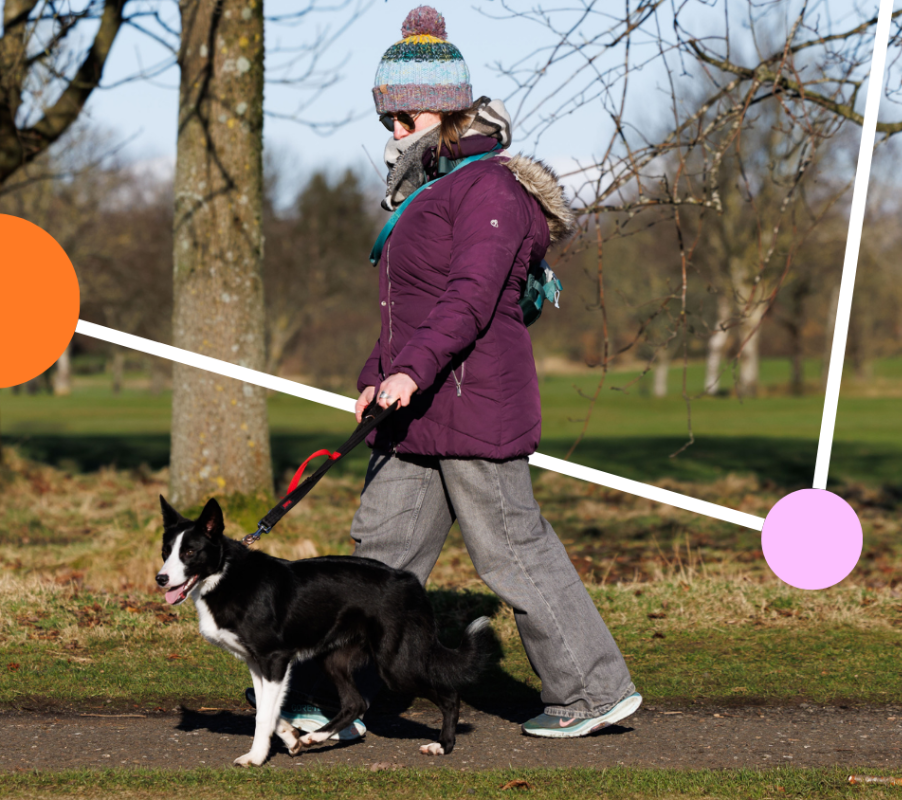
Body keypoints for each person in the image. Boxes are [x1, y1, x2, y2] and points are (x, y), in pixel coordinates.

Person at [251, 5, 641, 741]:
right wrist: (377, 372)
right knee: (376, 559)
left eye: (402, 119)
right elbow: (407, 310)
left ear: (443, 109)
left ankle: (593, 692)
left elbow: (468, 299)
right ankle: (328, 700)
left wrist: (413, 371)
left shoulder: (491, 190)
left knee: (513, 555)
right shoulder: (427, 190)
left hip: (473, 407)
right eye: (387, 121)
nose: (392, 134)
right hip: (415, 411)